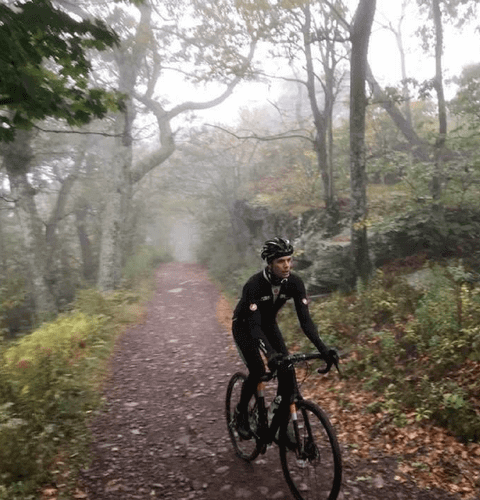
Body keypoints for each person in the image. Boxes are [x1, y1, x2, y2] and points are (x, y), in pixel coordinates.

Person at [232, 237, 338, 439]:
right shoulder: (254, 285)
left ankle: (279, 422)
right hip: (244, 326)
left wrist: (323, 349)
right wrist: (270, 354)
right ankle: (241, 414)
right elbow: (254, 326)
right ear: (270, 264)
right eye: (281, 261)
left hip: (268, 324)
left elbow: (305, 322)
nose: (287, 265)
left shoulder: (295, 283)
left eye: (289, 260)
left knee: (287, 372)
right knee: (258, 369)